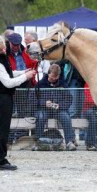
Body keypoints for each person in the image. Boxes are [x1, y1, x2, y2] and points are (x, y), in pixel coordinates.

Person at [0, 36, 36, 170]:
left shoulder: (2, 59)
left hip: (5, 98)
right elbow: (8, 83)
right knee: (2, 130)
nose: (5, 48)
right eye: (2, 47)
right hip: (2, 99)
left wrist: (23, 72)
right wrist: (25, 77)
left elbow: (10, 73)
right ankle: (1, 160)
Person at [33, 64, 77, 151]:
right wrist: (44, 103)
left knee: (66, 117)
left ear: (58, 76)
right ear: (48, 74)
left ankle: (69, 142)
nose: (53, 79)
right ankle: (38, 142)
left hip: (58, 109)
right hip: (44, 109)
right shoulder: (40, 83)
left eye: (55, 77)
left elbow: (69, 99)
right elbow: (33, 99)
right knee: (41, 116)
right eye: (51, 77)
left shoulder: (63, 84)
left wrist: (59, 105)